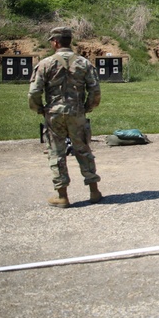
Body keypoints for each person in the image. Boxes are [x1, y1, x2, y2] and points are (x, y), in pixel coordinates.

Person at [27, 26, 102, 208]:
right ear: (69, 41)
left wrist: (40, 109)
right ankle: (93, 191)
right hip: (77, 113)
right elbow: (95, 90)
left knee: (56, 153)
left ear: (55, 42)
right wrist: (86, 107)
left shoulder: (45, 64)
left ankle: (62, 195)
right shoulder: (84, 63)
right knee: (83, 150)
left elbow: (34, 92)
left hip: (54, 114)